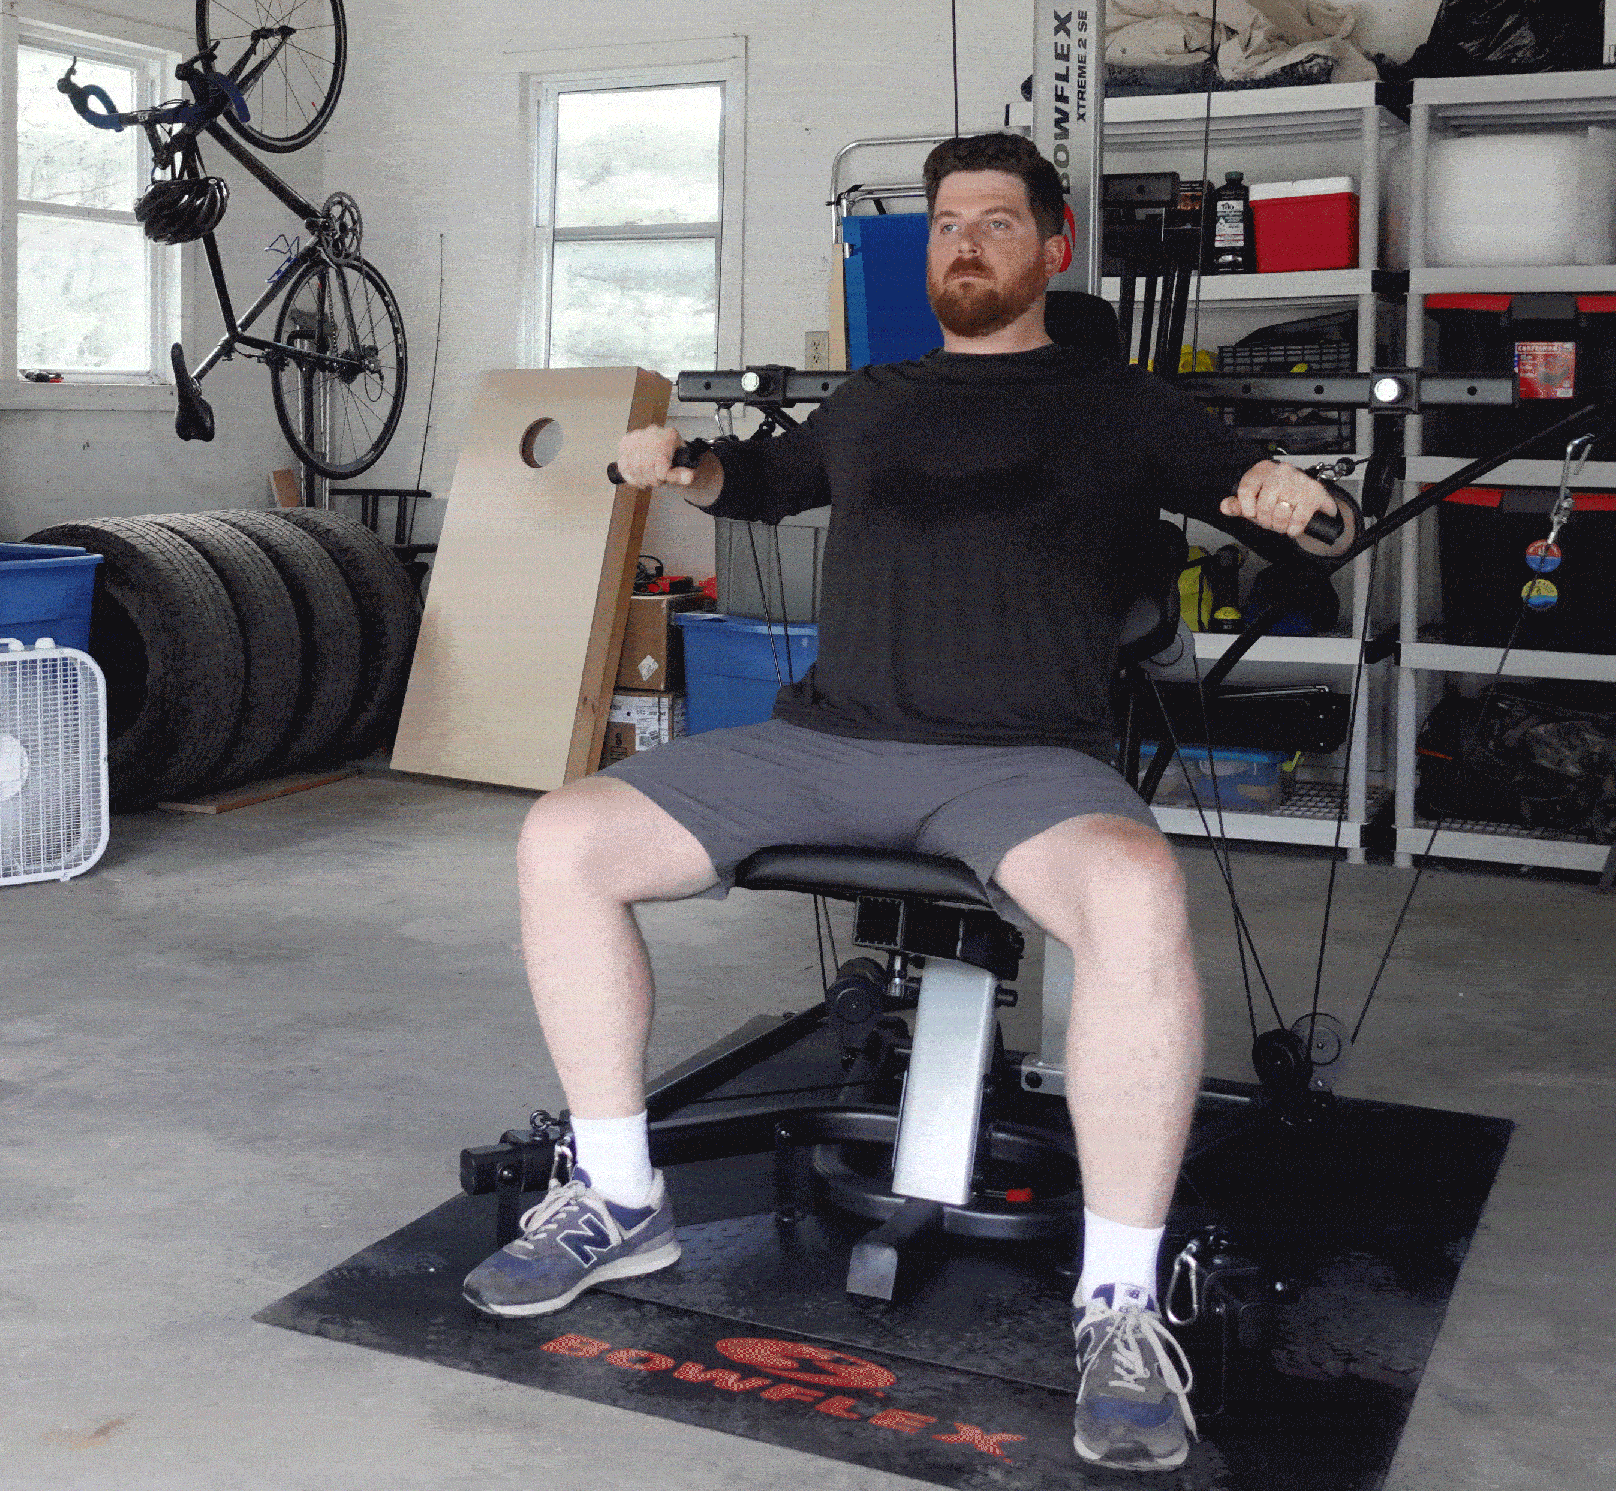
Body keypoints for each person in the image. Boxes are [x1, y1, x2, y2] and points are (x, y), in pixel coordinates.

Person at [462, 131, 1334, 1472]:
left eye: (995, 220)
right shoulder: (874, 400)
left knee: (1138, 889)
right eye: (944, 224)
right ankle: (622, 1198)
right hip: (827, 743)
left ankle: (1118, 1300)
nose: (965, 243)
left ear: (1054, 246)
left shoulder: (1123, 406)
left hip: (1022, 763)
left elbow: (1290, 517)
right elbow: (757, 483)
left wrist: (1292, 500)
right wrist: (677, 463)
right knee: (564, 835)